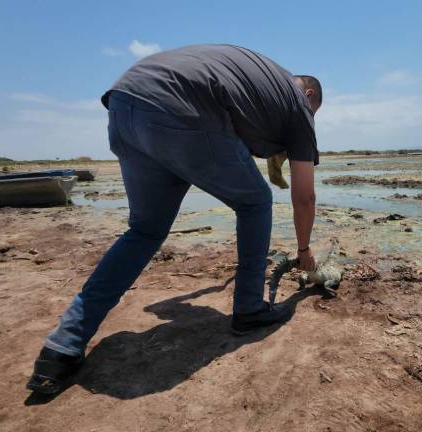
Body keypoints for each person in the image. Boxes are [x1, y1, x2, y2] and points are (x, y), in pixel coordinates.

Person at [27, 44, 322, 394]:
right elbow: (303, 196)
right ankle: (249, 310)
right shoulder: (296, 102)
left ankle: (61, 348)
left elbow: (163, 306)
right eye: (314, 112)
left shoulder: (259, 82)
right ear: (308, 94)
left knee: (145, 230)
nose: (310, 119)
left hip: (125, 103)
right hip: (183, 110)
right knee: (256, 203)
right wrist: (304, 252)